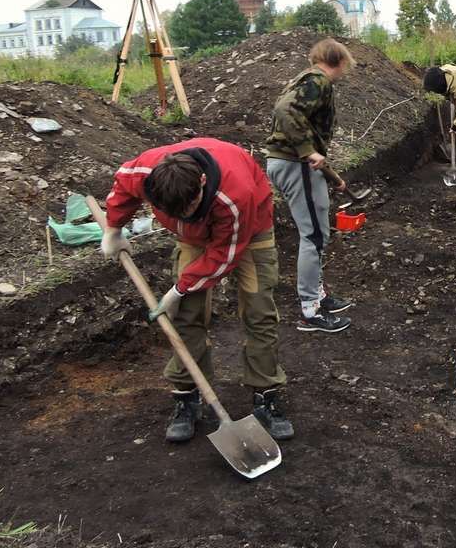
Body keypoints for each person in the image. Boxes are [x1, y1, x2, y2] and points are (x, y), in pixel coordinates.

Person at [101, 137, 293, 442]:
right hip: (193, 239)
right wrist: (114, 228)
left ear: (202, 181)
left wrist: (177, 289)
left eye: (189, 208)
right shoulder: (146, 172)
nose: (184, 216)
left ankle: (265, 394)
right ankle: (187, 395)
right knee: (187, 315)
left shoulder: (235, 194)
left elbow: (224, 256)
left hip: (249, 229)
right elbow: (123, 184)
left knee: (258, 311)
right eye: (175, 212)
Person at [265, 38, 355, 333]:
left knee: (317, 232)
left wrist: (324, 166)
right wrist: (307, 150)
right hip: (295, 163)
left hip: (294, 163)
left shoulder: (305, 79)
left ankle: (318, 295)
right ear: (339, 61)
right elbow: (284, 109)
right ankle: (309, 311)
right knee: (314, 235)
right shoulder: (318, 81)